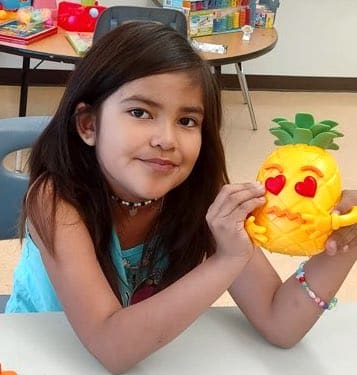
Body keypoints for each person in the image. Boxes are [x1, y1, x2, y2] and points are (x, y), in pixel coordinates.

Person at [5, 21, 357, 374]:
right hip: (35, 352)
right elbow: (111, 347)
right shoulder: (54, 200)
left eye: (187, 121)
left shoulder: (201, 196)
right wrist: (225, 261)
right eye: (140, 112)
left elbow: (280, 323)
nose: (166, 139)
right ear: (89, 125)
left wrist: (347, 241)